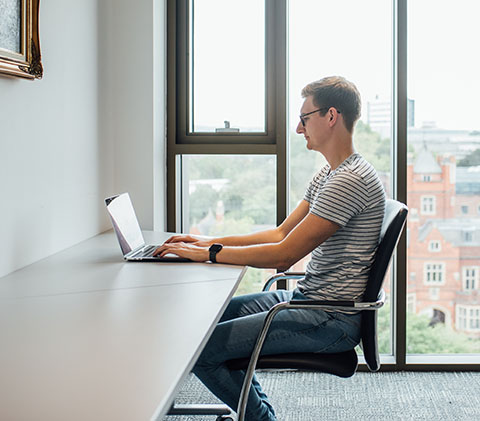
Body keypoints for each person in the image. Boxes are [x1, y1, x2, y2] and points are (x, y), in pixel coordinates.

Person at [154, 76, 386, 421]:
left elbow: (283, 256)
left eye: (304, 118)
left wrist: (209, 254)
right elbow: (280, 234)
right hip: (308, 300)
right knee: (205, 321)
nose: (297, 128)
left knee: (201, 350)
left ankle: (261, 419)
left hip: (329, 317)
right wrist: (203, 242)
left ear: (331, 116)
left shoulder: (349, 181)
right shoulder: (330, 174)